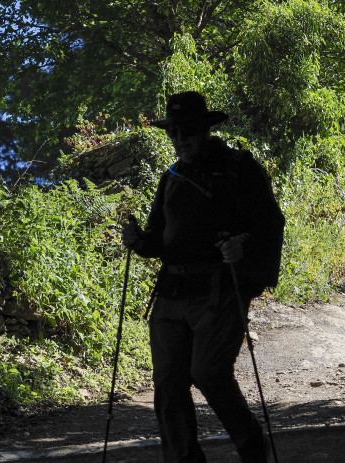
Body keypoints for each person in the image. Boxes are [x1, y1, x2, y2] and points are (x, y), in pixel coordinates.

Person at [122, 91, 284, 463]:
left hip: (219, 290)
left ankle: (251, 446)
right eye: (175, 132)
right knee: (168, 384)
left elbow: (271, 223)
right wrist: (138, 241)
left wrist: (242, 245)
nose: (181, 139)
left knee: (209, 372)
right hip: (171, 293)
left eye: (189, 131)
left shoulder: (238, 167)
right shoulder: (172, 178)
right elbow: (159, 239)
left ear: (206, 129)